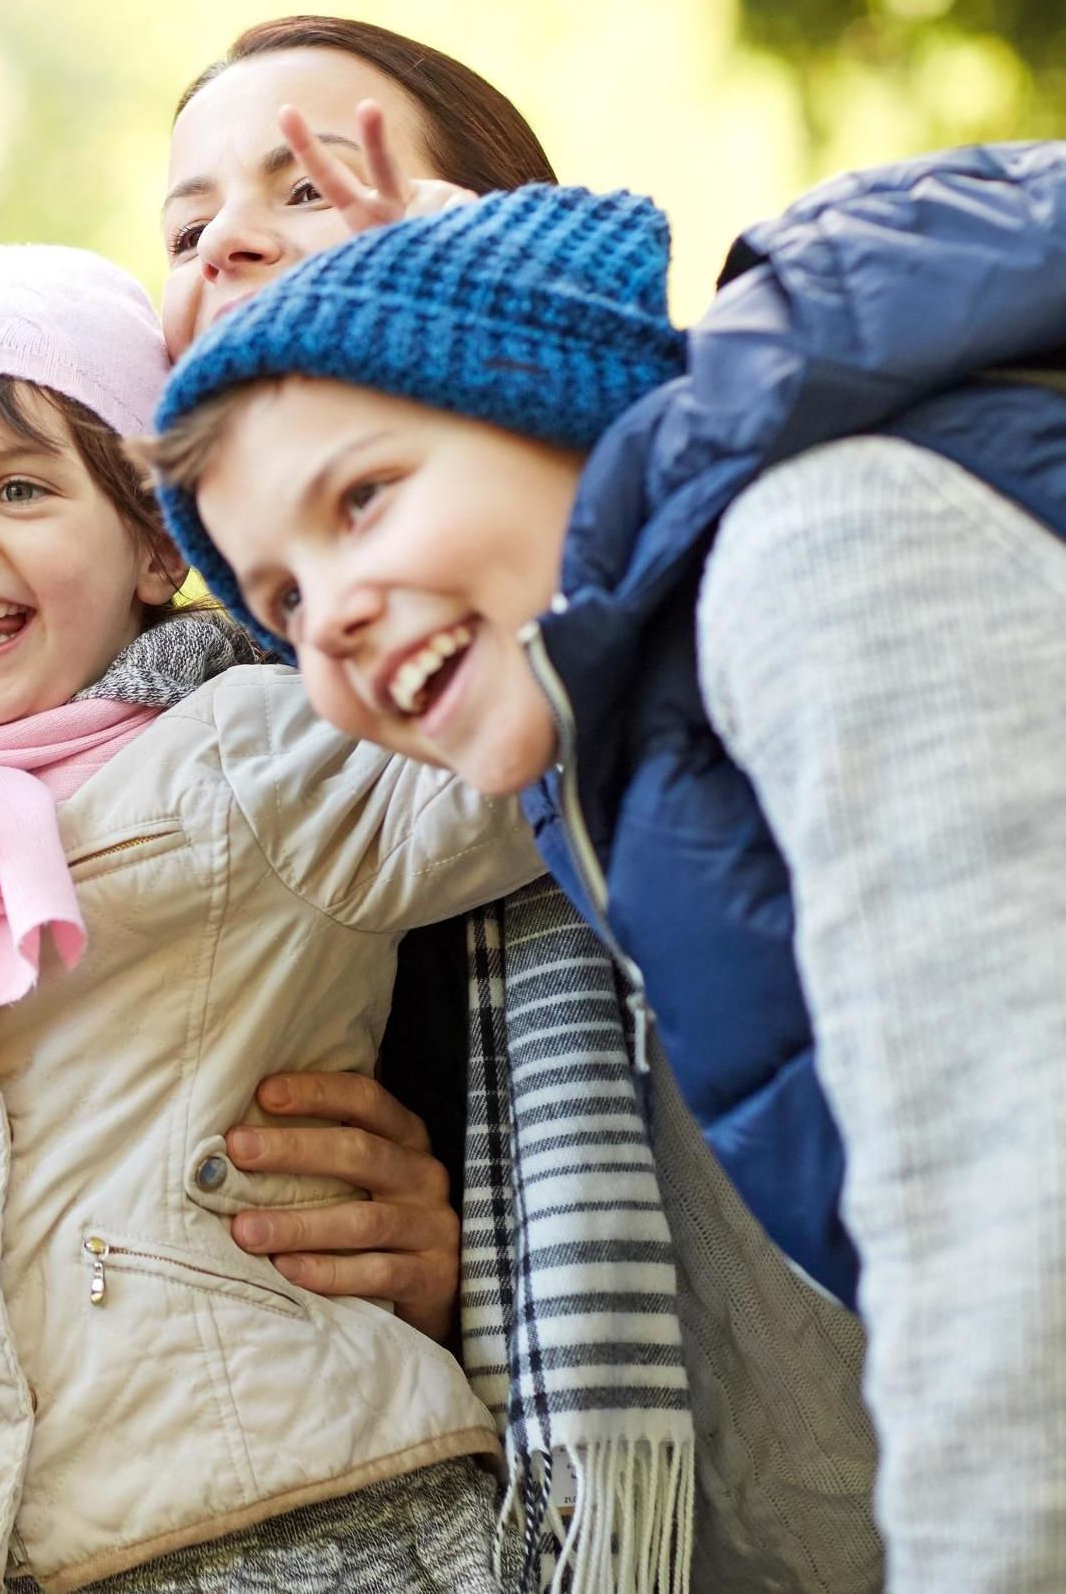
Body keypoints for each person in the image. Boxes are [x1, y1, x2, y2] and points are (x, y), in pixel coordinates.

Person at [146, 144, 1066, 1593]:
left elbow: (1015, 1215)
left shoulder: (816, 559)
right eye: (279, 597)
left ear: (543, 396)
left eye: (365, 499)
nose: (323, 620)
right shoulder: (621, 761)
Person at [0, 231, 543, 1594]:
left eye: (22, 486)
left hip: (315, 1514)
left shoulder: (251, 752)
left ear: (158, 545)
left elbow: (505, 762)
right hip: (33, 1553)